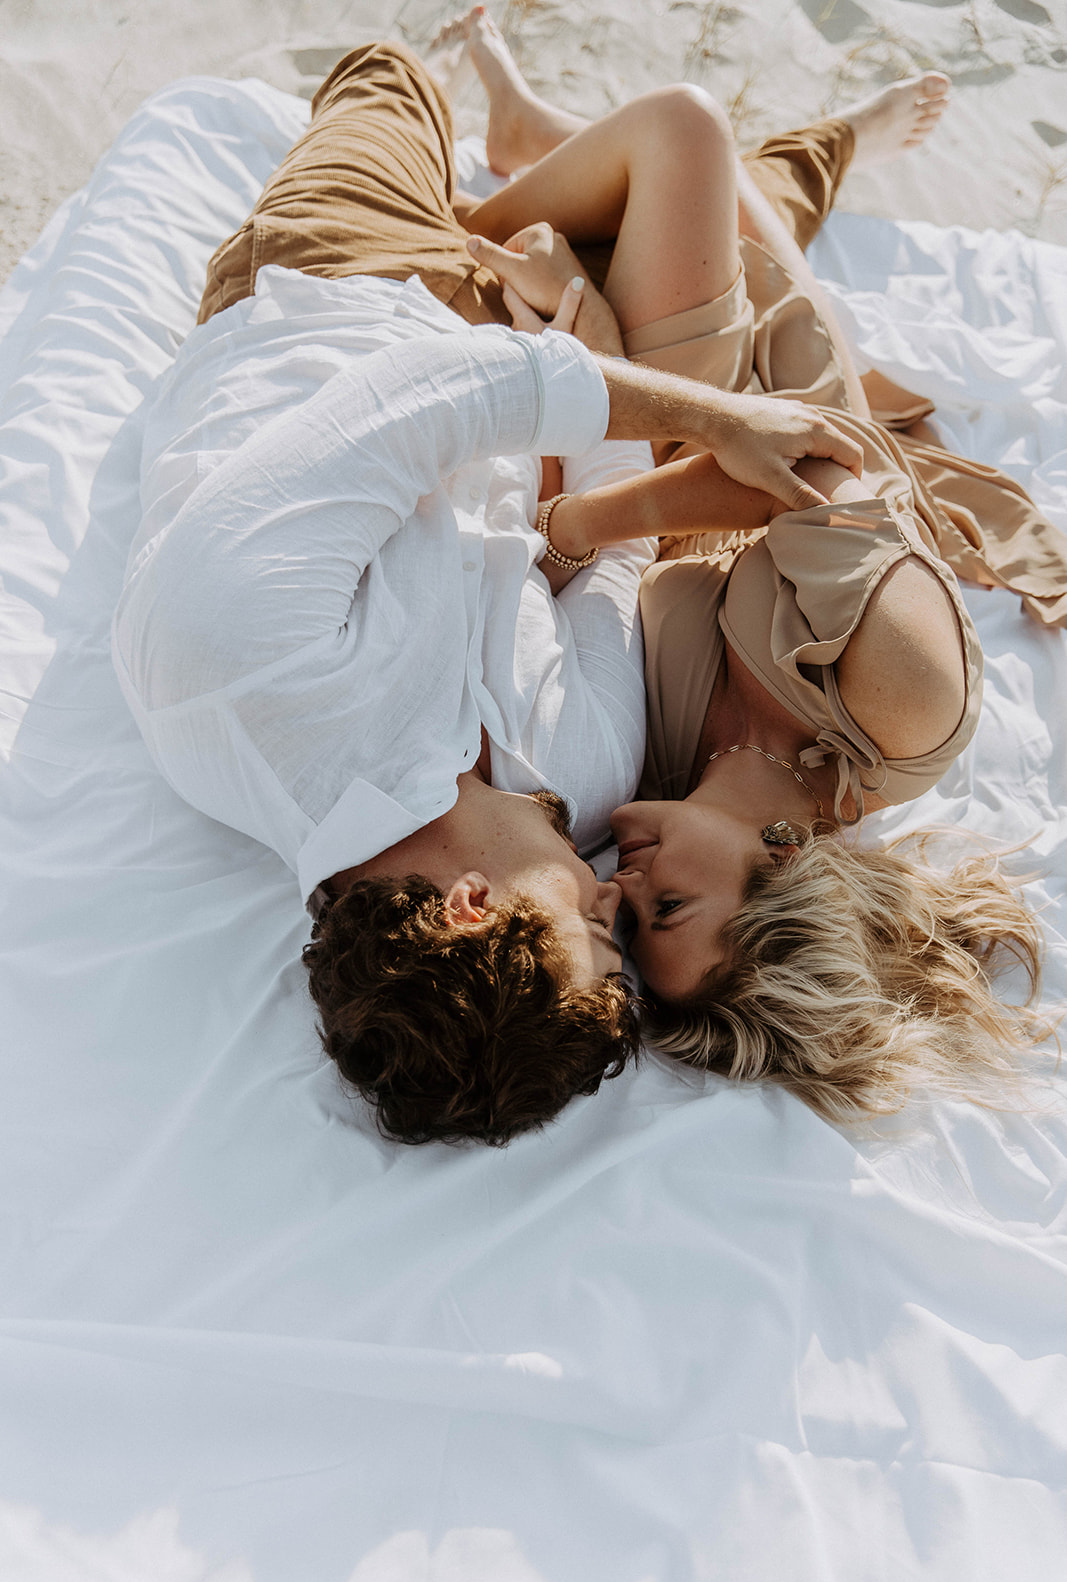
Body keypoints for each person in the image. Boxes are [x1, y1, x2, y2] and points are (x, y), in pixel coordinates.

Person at [112, 34, 863, 1145]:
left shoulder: (233, 675)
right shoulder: (583, 781)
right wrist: (585, 330)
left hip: (343, 283)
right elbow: (614, 554)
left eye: (598, 929)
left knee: (386, 75)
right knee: (688, 146)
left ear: (472, 909)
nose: (616, 893)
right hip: (535, 364)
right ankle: (613, 171)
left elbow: (419, 394)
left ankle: (499, 165)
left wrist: (712, 421)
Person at [431, 10, 1057, 1119]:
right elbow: (809, 456)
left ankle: (548, 145)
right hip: (762, 429)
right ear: (784, 867)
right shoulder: (898, 703)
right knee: (686, 136)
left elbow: (563, 594)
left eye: (625, 920)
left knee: (655, 223)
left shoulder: (654, 783)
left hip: (675, 470)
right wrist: (583, 516)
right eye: (664, 908)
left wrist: (602, 372)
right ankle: (481, 199)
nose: (618, 886)